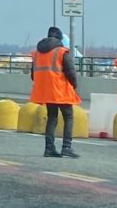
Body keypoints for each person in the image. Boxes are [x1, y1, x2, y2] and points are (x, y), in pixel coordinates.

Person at [30, 27, 80, 158]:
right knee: (68, 117)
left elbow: (32, 75)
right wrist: (74, 85)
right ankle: (66, 147)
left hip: (46, 91)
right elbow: (70, 72)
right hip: (61, 90)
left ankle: (49, 148)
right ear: (59, 38)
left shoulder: (37, 53)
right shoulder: (62, 52)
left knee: (52, 118)